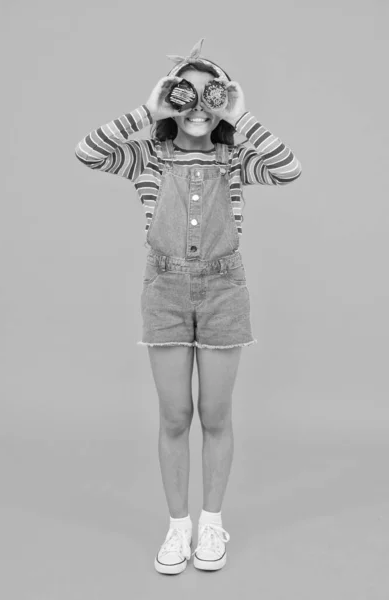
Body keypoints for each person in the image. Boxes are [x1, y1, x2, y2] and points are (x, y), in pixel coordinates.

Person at [74, 38, 302, 576]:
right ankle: (178, 526)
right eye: (186, 94)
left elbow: (289, 168)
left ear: (223, 100)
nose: (198, 105)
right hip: (165, 291)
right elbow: (87, 151)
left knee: (215, 415)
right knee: (175, 416)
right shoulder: (147, 156)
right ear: (170, 100)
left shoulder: (237, 157)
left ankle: (211, 520)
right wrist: (147, 111)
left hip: (225, 291)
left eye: (211, 94)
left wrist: (240, 116)